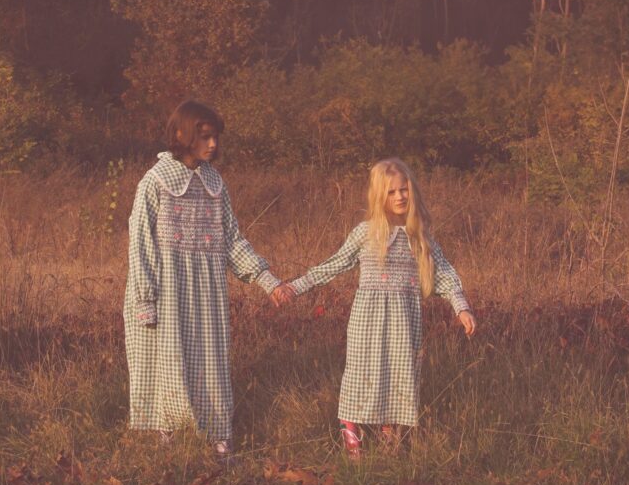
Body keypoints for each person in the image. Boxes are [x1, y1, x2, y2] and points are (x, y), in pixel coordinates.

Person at [121, 99, 293, 459]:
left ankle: (217, 433)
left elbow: (231, 239)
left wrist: (267, 280)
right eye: (204, 137)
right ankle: (170, 435)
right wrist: (146, 298)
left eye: (215, 137)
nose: (212, 145)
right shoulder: (156, 182)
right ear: (183, 135)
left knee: (211, 360)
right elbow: (140, 242)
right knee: (168, 360)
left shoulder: (215, 183)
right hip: (168, 288)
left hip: (207, 291)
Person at [278, 158, 476, 458]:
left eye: (404, 190)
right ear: (379, 196)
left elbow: (444, 274)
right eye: (391, 192)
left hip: (405, 319)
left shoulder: (419, 236)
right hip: (368, 319)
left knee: (399, 372)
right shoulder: (366, 232)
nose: (399, 197)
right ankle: (350, 428)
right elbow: (334, 264)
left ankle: (388, 429)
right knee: (362, 372)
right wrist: (295, 286)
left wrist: (461, 307)